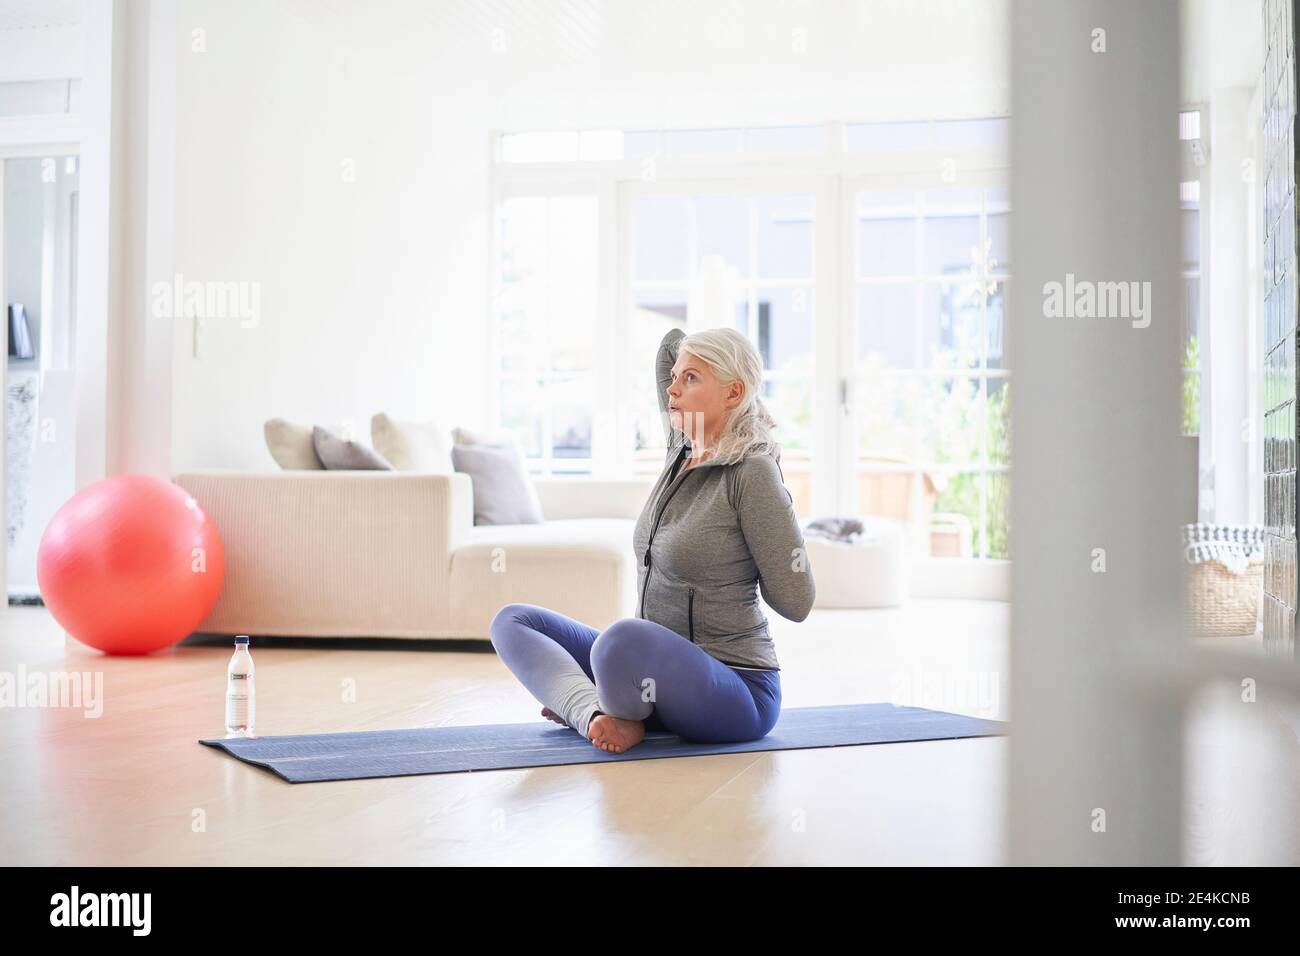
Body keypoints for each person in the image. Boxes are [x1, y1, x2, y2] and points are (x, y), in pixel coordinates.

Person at [489, 326, 815, 753]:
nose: (672, 391)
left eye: (691, 379)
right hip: (651, 676)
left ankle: (600, 705)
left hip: (736, 685)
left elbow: (797, 602)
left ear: (734, 393)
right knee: (513, 621)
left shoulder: (752, 474)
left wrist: (774, 517)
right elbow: (670, 344)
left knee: (621, 641)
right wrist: (694, 362)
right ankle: (595, 713)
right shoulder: (680, 448)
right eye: (675, 378)